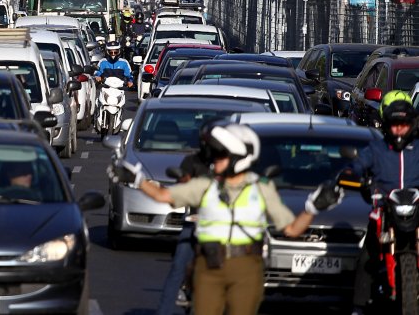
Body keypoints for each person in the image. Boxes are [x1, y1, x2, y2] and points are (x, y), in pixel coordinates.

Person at [111, 123, 343, 315]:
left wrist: (312, 207)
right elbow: (164, 195)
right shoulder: (205, 186)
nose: (215, 160)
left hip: (246, 268)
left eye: (221, 155)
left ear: (239, 158)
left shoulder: (261, 189)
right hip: (208, 265)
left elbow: (292, 229)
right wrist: (138, 179)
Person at [349, 93, 419, 315]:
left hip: (416, 210)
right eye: (394, 125)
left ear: (411, 125)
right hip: (384, 209)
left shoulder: (418, 148)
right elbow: (358, 164)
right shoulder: (377, 148)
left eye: (403, 125)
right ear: (387, 125)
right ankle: (358, 306)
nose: (399, 130)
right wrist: (352, 173)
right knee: (367, 253)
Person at [156, 138, 214, 315]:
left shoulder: (229, 169)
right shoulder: (192, 161)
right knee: (178, 266)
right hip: (194, 222)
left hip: (219, 227)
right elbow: (179, 187)